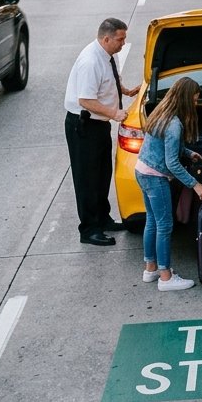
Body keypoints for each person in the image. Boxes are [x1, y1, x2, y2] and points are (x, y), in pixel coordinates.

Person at [64, 18, 141, 246]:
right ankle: (88, 229)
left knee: (102, 174)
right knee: (87, 179)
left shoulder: (109, 54)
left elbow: (110, 80)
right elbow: (85, 100)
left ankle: (103, 218)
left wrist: (125, 91)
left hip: (100, 124)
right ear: (106, 38)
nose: (123, 43)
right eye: (120, 39)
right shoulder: (90, 61)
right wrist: (114, 112)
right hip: (84, 125)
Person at [135, 76, 202, 291]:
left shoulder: (161, 113)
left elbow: (165, 147)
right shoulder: (174, 124)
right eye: (194, 100)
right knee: (165, 226)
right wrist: (195, 184)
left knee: (152, 221)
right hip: (156, 178)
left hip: (142, 171)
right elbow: (172, 164)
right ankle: (166, 277)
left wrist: (189, 152)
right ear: (186, 99)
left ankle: (151, 269)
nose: (196, 104)